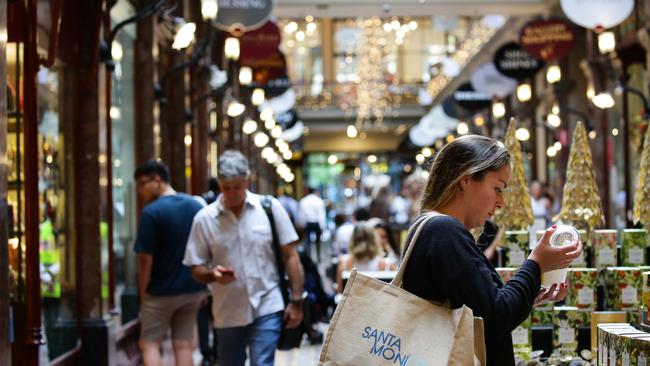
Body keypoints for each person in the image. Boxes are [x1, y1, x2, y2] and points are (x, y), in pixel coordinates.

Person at [401, 135, 582, 366]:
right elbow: (496, 317)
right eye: (497, 188)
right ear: (465, 179)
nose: (501, 202)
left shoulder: (436, 228)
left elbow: (482, 308)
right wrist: (536, 263)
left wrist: (530, 291)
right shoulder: (443, 231)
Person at [183, 150, 304, 366]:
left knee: (262, 362)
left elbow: (290, 255)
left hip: (268, 304)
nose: (231, 193)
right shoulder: (204, 219)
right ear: (219, 184)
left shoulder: (269, 209)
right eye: (226, 187)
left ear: (247, 181)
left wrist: (296, 301)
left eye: (237, 187)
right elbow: (195, 267)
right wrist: (212, 274)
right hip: (227, 310)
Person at [133, 160, 207, 366]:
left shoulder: (151, 212)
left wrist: (143, 291)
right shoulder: (195, 205)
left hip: (160, 291)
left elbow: (145, 258)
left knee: (149, 344)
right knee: (183, 344)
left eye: (142, 184)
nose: (140, 191)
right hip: (192, 289)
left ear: (157, 180)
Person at [336, 222, 397, 293]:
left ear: (353, 240)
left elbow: (340, 292)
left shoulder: (343, 262)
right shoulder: (387, 265)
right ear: (374, 239)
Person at [298, 187, 327, 261]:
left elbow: (302, 214)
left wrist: (302, 224)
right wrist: (322, 226)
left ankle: (308, 257)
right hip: (316, 223)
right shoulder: (319, 201)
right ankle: (318, 257)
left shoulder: (304, 201)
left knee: (307, 241)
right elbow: (321, 215)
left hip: (307, 223)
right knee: (318, 241)